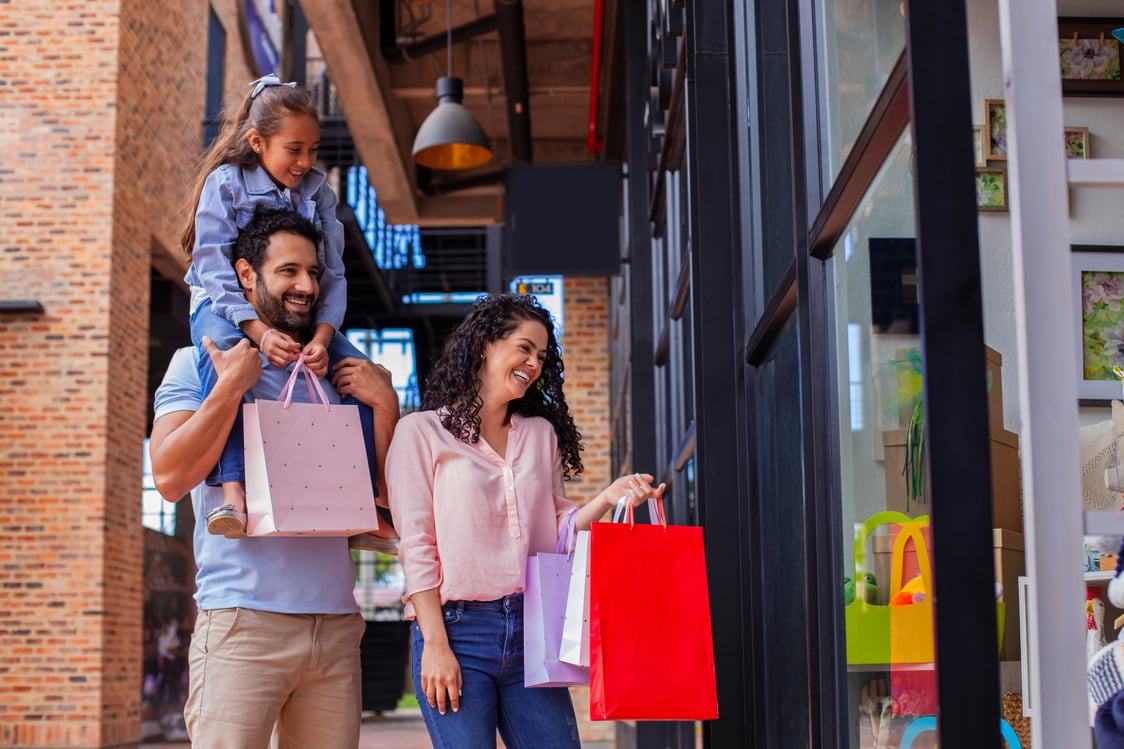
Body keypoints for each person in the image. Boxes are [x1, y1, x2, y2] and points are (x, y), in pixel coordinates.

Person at [149, 209, 400, 748]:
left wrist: (387, 408)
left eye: (313, 272)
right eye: (288, 271)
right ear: (245, 275)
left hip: (334, 628)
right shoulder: (196, 362)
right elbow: (169, 477)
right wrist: (229, 387)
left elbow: (387, 502)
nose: (306, 286)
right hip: (242, 626)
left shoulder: (336, 373)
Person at [386, 293, 665, 747]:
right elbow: (416, 544)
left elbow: (556, 530)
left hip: (531, 631)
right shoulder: (420, 432)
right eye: (524, 348)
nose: (534, 363)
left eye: (541, 355)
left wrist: (608, 498)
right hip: (456, 630)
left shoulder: (540, 435)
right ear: (483, 343)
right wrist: (434, 643)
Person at [178, 74, 370, 539]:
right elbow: (212, 264)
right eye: (294, 149)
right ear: (257, 142)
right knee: (226, 364)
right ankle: (232, 492)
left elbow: (332, 273)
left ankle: (370, 496)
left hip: (294, 310)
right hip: (222, 302)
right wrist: (257, 332)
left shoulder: (319, 193)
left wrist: (323, 338)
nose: (305, 161)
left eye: (313, 149)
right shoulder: (225, 184)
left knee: (364, 376)